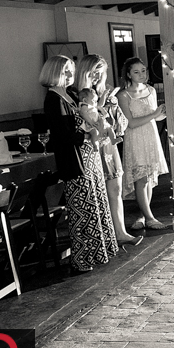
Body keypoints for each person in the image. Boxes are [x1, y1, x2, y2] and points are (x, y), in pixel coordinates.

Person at [41, 55, 118, 273]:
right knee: (81, 210)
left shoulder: (70, 94)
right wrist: (86, 136)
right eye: (64, 71)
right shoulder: (53, 98)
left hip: (89, 156)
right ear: (53, 72)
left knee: (95, 204)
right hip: (74, 159)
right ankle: (82, 259)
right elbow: (63, 134)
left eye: (70, 70)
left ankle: (98, 253)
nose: (69, 75)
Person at [74, 54, 142, 247]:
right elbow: (82, 123)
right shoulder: (77, 95)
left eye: (100, 73)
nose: (97, 78)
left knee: (116, 189)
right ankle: (105, 235)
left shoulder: (106, 92)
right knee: (98, 192)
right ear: (85, 72)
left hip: (109, 145)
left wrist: (113, 110)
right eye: (93, 73)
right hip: (92, 147)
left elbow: (121, 123)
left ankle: (120, 232)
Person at [117, 57, 168, 231]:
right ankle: (150, 217)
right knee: (140, 178)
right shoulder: (123, 95)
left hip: (151, 136)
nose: (141, 74)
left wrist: (164, 112)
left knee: (149, 178)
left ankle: (143, 215)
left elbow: (156, 116)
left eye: (143, 70)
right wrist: (154, 115)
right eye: (136, 72)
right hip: (136, 137)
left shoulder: (151, 90)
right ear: (129, 74)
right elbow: (130, 123)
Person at [76, 87, 119, 152]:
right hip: (90, 124)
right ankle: (95, 145)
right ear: (85, 100)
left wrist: (104, 94)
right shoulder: (84, 106)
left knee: (109, 128)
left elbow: (100, 104)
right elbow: (83, 113)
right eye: (94, 101)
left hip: (97, 122)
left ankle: (113, 139)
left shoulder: (93, 105)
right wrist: (90, 121)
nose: (96, 103)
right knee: (94, 133)